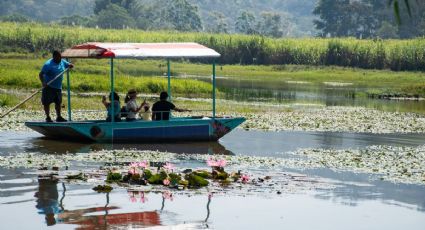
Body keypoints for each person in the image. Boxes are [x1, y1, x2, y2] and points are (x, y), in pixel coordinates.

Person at [39, 50, 74, 122]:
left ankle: (59, 117)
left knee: (58, 103)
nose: (60, 59)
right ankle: (48, 117)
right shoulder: (48, 65)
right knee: (46, 103)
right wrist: (43, 82)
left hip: (58, 87)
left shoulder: (62, 61)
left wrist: (70, 65)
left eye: (60, 57)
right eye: (58, 57)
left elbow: (68, 65)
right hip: (49, 86)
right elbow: (41, 74)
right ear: (54, 57)